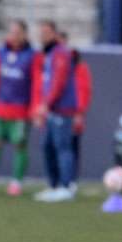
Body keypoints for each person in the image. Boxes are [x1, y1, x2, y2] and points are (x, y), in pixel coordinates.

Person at [0, 20, 43, 196]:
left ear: (24, 35)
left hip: (20, 110)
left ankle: (16, 182)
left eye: (17, 33)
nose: (13, 36)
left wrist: (35, 108)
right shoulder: (1, 53)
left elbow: (37, 83)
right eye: (11, 32)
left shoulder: (32, 56)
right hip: (0, 108)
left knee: (19, 145)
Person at [34, 21, 79, 202]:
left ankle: (66, 186)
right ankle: (54, 185)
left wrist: (46, 104)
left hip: (62, 109)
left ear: (54, 34)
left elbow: (58, 83)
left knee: (63, 148)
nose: (42, 36)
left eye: (46, 32)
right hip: (53, 109)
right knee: (49, 148)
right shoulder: (51, 54)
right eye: (41, 32)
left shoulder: (60, 54)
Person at [58, 31, 92, 191]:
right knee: (54, 147)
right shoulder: (49, 62)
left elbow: (84, 90)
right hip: (56, 112)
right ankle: (58, 181)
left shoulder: (78, 65)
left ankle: (70, 181)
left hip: (71, 113)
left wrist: (79, 112)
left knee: (71, 146)